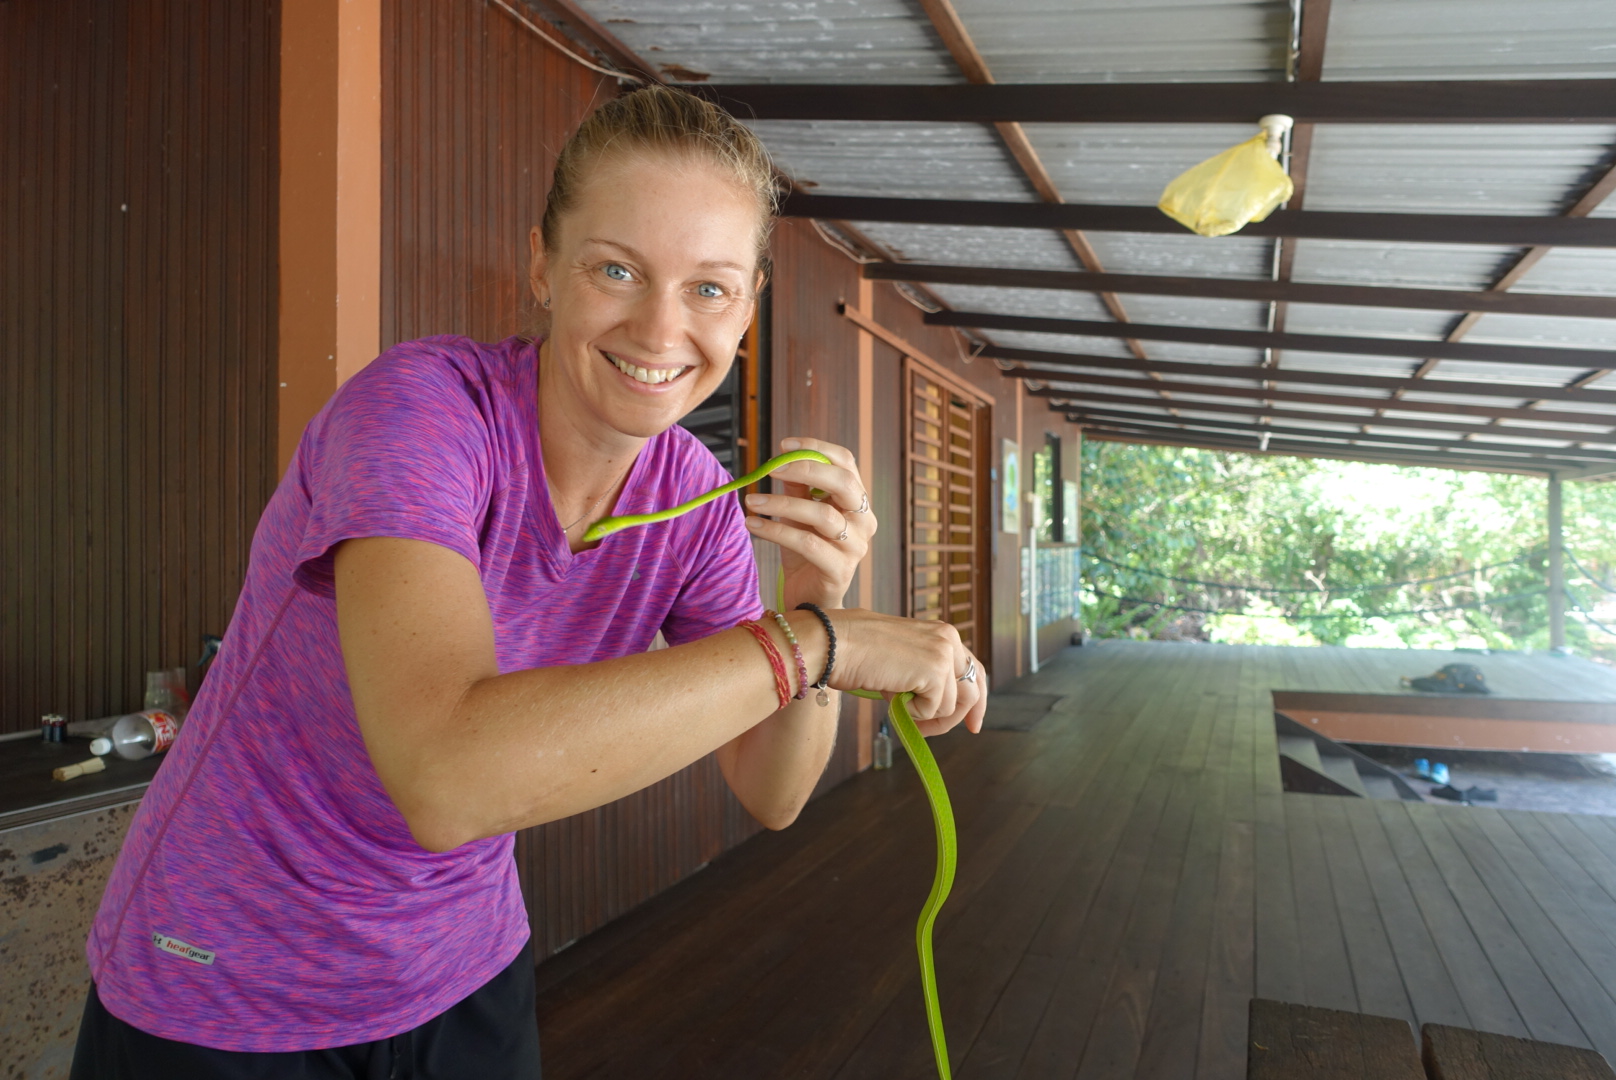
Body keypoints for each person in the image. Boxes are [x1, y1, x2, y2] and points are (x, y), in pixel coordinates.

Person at [71, 85, 987, 1079]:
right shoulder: (421, 414)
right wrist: (818, 644)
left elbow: (773, 789)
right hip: (226, 974)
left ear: (747, 306)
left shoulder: (694, 497)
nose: (660, 329)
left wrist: (817, 604)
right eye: (615, 269)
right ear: (542, 265)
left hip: (460, 965)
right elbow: (444, 777)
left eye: (709, 289)